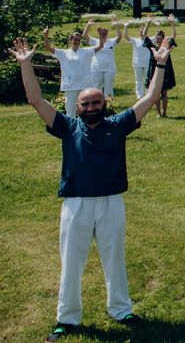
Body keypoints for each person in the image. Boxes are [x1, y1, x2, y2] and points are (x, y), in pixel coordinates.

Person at [9, 36, 171, 341]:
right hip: (76, 204)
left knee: (115, 258)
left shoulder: (118, 124)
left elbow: (150, 98)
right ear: (78, 107)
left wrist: (160, 63)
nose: (91, 107)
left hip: (111, 202)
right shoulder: (68, 127)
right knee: (71, 263)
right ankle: (66, 318)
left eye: (96, 102)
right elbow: (35, 99)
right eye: (85, 103)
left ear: (105, 104)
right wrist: (26, 64)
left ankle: (121, 310)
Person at [44, 22, 96, 117]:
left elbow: (100, 47)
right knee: (70, 109)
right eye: (75, 40)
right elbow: (48, 47)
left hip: (84, 84)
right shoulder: (63, 53)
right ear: (70, 40)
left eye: (79, 40)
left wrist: (89, 26)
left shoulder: (86, 51)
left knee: (85, 109)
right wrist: (46, 35)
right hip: (71, 85)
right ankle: (70, 128)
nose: (77, 42)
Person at [142, 17, 178, 118]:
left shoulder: (167, 46)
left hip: (165, 72)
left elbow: (174, 35)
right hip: (154, 72)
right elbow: (144, 35)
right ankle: (158, 113)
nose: (157, 40)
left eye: (159, 38)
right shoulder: (152, 47)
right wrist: (148, 23)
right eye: (156, 38)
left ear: (163, 39)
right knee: (156, 94)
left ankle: (165, 112)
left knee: (164, 94)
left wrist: (171, 23)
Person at [88, 21, 123, 99]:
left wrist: (116, 25)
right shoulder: (95, 41)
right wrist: (89, 25)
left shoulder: (112, 42)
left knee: (109, 87)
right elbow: (84, 36)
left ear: (107, 34)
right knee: (97, 87)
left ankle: (109, 104)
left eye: (105, 33)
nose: (103, 34)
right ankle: (97, 102)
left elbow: (119, 37)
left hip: (109, 68)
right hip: (96, 68)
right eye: (102, 33)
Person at [123, 20, 151, 99]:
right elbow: (125, 36)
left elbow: (158, 35)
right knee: (138, 80)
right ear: (138, 32)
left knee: (147, 79)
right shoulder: (135, 40)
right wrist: (126, 26)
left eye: (143, 31)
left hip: (147, 63)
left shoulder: (149, 40)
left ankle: (148, 93)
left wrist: (156, 25)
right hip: (137, 63)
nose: (142, 33)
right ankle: (139, 94)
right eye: (140, 31)